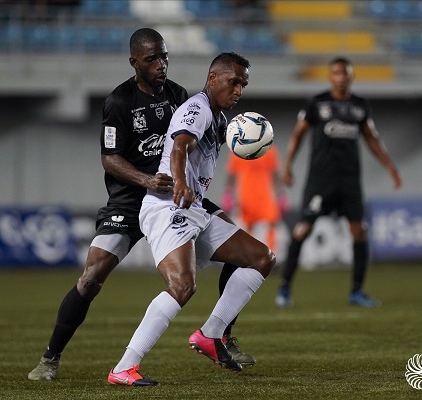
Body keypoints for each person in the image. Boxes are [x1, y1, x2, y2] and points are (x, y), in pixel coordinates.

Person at [28, 28, 254, 381]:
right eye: (152, 59)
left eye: (164, 56)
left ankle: (221, 333)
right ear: (135, 62)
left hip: (177, 194)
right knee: (91, 278)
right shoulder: (119, 101)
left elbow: (196, 138)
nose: (161, 64)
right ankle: (50, 357)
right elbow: (109, 158)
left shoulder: (180, 96)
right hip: (132, 198)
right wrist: (148, 180)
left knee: (240, 245)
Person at [107, 52, 275, 387]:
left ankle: (211, 334)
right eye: (233, 81)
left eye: (243, 84)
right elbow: (180, 147)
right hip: (168, 207)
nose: (239, 89)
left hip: (194, 208)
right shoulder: (196, 108)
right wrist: (181, 182)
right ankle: (124, 368)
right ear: (213, 78)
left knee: (261, 257)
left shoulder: (220, 120)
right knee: (183, 286)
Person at [275, 56, 402, 309]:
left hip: (350, 181)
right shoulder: (317, 103)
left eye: (345, 73)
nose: (341, 77)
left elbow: (372, 138)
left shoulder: (360, 105)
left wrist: (390, 166)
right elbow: (298, 134)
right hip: (320, 180)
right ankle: (285, 287)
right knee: (303, 230)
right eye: (336, 73)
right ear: (330, 77)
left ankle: (356, 291)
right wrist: (287, 165)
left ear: (351, 76)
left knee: (359, 231)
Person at [222, 145, 287, 253]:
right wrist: (228, 193)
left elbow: (275, 174)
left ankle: (272, 254)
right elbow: (231, 175)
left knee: (272, 223)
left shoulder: (269, 149)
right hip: (246, 196)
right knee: (248, 227)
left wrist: (281, 194)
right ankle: (250, 256)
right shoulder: (238, 150)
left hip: (265, 196)